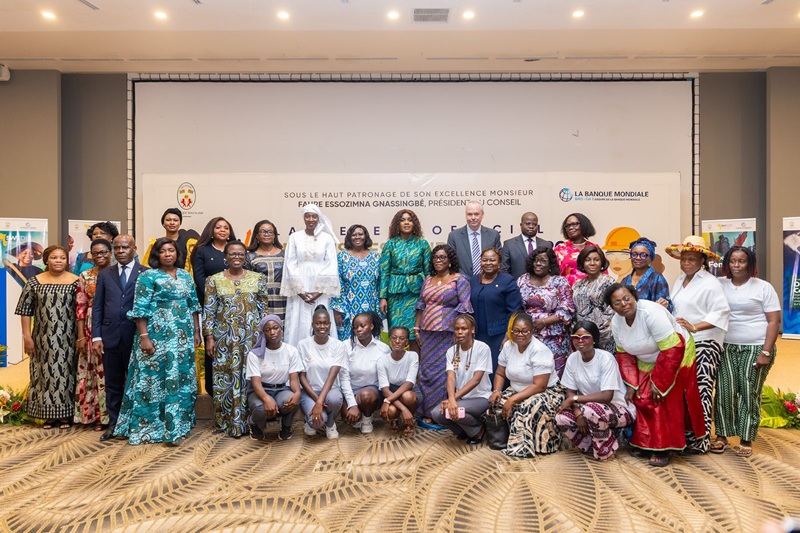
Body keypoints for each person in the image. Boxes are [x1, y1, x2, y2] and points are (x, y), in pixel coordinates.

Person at [606, 283, 706, 467]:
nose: (624, 304)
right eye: (617, 302)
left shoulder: (651, 313)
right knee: (640, 397)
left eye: (627, 298)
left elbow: (671, 349)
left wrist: (659, 383)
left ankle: (664, 448)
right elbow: (624, 355)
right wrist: (632, 384)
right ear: (612, 307)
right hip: (646, 357)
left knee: (663, 398)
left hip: (676, 351)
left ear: (635, 297)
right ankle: (646, 443)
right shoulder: (617, 322)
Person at [115, 237, 202, 445]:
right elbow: (140, 309)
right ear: (156, 255)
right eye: (162, 251)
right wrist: (144, 337)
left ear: (177, 253)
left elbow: (193, 305)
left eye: (171, 250)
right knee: (153, 381)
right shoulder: (148, 276)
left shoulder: (185, 275)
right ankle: (152, 428)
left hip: (182, 337)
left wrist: (197, 331)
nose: (167, 254)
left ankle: (178, 425)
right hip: (157, 336)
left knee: (180, 378)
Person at [665, 235, 730, 454]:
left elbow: (721, 312)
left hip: (706, 342)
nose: (686, 263)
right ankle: (689, 436)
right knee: (686, 391)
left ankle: (702, 441)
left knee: (702, 390)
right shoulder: (680, 280)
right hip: (685, 343)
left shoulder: (711, 283)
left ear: (702, 260)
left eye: (691, 259)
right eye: (684, 258)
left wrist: (695, 326)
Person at [712, 247, 780, 457]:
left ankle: (746, 438)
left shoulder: (763, 287)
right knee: (724, 391)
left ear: (749, 264)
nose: (737, 265)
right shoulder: (719, 284)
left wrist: (766, 352)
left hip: (756, 346)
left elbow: (774, 321)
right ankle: (722, 435)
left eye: (741, 261)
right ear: (727, 263)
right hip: (726, 346)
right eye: (732, 261)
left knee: (749, 392)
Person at [203, 240, 269, 438]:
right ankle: (229, 422)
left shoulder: (258, 279)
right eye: (232, 254)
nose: (237, 257)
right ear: (226, 257)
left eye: (241, 254)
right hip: (224, 339)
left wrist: (264, 337)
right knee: (226, 378)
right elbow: (209, 311)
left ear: (246, 257)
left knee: (251, 376)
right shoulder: (214, 280)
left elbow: (263, 310)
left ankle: (252, 421)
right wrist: (209, 337)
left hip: (251, 338)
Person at [15, 245, 79, 429]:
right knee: (44, 373)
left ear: (67, 261)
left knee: (68, 373)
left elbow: (82, 311)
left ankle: (66, 415)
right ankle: (48, 415)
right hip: (42, 338)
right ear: (46, 260)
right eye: (54, 257)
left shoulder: (76, 282)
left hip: (69, 337)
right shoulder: (34, 282)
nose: (58, 261)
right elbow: (25, 311)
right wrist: (27, 337)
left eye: (62, 258)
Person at [91, 234, 147, 441]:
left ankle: (136, 424)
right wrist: (96, 337)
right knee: (113, 383)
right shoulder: (105, 274)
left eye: (125, 247)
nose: (121, 251)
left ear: (134, 249)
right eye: (117, 248)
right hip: (110, 336)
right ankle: (114, 425)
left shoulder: (146, 273)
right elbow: (98, 307)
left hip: (136, 337)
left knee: (138, 383)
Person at [555, 321, 636, 461]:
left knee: (590, 410)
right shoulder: (573, 358)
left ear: (594, 340)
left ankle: (607, 450)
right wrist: (578, 413)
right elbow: (570, 391)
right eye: (576, 337)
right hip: (588, 409)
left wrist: (575, 400)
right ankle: (590, 445)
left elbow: (607, 396)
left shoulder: (605, 358)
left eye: (585, 337)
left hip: (621, 409)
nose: (580, 341)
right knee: (561, 417)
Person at [488, 313, 566, 458]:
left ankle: (526, 447)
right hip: (518, 389)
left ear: (532, 331)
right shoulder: (508, 346)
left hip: (547, 392)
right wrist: (497, 390)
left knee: (526, 405)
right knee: (496, 402)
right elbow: (500, 373)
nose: (520, 334)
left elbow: (540, 386)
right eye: (516, 331)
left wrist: (513, 399)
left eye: (525, 331)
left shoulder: (539, 350)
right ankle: (504, 441)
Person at [414, 244, 473, 423]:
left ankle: (439, 413)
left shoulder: (459, 279)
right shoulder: (428, 279)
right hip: (427, 332)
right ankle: (426, 411)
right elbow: (421, 304)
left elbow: (465, 306)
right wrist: (417, 328)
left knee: (444, 372)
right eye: (435, 257)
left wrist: (458, 330)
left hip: (448, 332)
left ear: (450, 261)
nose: (438, 260)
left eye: (442, 257)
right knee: (426, 371)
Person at [281, 204, 341, 347]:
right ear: (303, 218)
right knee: (298, 319)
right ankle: (297, 354)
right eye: (307, 216)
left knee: (321, 318)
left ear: (319, 218)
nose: (311, 219)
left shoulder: (327, 238)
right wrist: (300, 291)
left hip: (320, 286)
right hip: (299, 285)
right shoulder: (295, 237)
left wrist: (319, 292)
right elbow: (290, 263)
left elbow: (331, 264)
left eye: (314, 216)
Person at [192, 216, 237, 396]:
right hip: (211, 305)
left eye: (226, 227)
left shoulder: (235, 249)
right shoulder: (202, 250)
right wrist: (217, 295)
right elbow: (199, 278)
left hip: (234, 305)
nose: (222, 230)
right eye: (218, 227)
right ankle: (213, 389)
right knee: (213, 344)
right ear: (211, 230)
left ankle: (233, 385)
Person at [430, 315, 493, 444]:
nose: (460, 332)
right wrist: (452, 399)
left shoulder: (482, 348)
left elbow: (476, 379)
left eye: (464, 328)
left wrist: (453, 399)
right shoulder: (451, 351)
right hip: (461, 399)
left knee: (454, 409)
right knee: (436, 414)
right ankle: (464, 431)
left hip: (481, 398)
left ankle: (479, 430)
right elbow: (451, 377)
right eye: (457, 329)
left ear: (472, 330)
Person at [517, 246, 575, 378]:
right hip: (527, 335)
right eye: (536, 260)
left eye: (543, 261)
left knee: (553, 375)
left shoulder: (559, 282)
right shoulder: (522, 280)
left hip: (554, 337)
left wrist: (544, 322)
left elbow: (568, 309)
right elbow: (516, 306)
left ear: (550, 264)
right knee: (529, 373)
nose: (538, 263)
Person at [379, 209, 430, 353]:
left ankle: (415, 365)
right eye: (402, 220)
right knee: (397, 333)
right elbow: (384, 272)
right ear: (397, 224)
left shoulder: (422, 244)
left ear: (415, 224)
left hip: (417, 294)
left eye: (410, 220)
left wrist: (428, 295)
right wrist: (383, 297)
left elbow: (428, 272)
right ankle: (396, 364)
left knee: (415, 332)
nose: (406, 223)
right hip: (396, 296)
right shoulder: (390, 244)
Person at [74, 238, 112, 429]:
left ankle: (113, 415)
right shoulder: (85, 275)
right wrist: (81, 335)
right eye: (96, 253)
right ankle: (96, 415)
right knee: (93, 369)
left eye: (104, 252)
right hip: (91, 326)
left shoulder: (118, 272)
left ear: (110, 253)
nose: (100, 256)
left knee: (112, 370)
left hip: (114, 324)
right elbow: (80, 307)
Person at [246, 315, 302, 441]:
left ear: (281, 329)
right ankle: (254, 423)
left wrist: (297, 393)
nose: (272, 332)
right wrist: (266, 398)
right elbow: (256, 383)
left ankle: (286, 426)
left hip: (282, 389)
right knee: (261, 407)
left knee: (293, 399)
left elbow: (293, 380)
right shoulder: (254, 355)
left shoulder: (291, 351)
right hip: (261, 390)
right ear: (263, 333)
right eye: (267, 330)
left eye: (275, 328)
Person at [469, 247, 522, 376]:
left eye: (492, 260)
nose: (488, 263)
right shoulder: (473, 280)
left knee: (495, 369)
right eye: (485, 260)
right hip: (477, 334)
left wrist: (508, 335)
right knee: (477, 369)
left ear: (499, 263)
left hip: (498, 335)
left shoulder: (507, 280)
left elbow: (514, 310)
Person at [297, 305, 348, 440]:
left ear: (330, 325)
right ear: (312, 325)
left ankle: (330, 424)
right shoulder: (303, 345)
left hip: (331, 390)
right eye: (318, 323)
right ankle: (310, 421)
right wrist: (316, 399)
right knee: (317, 422)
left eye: (325, 323)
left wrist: (320, 402)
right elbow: (302, 377)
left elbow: (332, 376)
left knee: (335, 399)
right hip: (309, 391)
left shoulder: (338, 345)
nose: (322, 326)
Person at [341, 312, 389, 434]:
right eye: (355, 327)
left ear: (371, 326)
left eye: (362, 326)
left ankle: (367, 418)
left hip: (372, 392)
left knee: (366, 396)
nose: (358, 330)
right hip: (352, 390)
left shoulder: (383, 348)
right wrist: (352, 404)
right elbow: (344, 378)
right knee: (347, 417)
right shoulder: (346, 346)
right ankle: (358, 412)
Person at [331, 224, 382, 339]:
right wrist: (338, 309)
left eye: (360, 234)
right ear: (349, 237)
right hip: (348, 308)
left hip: (371, 306)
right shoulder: (342, 257)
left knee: (370, 340)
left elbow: (380, 282)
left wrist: (382, 301)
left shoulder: (376, 257)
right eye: (354, 235)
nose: (357, 237)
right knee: (349, 341)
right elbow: (337, 283)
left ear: (366, 236)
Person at [378, 326, 422, 437]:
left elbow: (409, 383)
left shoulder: (412, 356)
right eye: (394, 338)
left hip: (410, 392)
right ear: (389, 340)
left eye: (401, 339)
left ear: (406, 342)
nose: (397, 341)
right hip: (391, 393)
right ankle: (397, 418)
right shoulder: (382, 360)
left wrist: (387, 401)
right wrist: (403, 409)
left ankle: (409, 422)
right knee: (391, 411)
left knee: (407, 396)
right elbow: (385, 390)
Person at [571, 246, 616, 352]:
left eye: (596, 260)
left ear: (602, 262)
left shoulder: (609, 282)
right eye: (587, 260)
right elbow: (574, 309)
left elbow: (613, 310)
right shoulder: (577, 284)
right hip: (581, 338)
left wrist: (595, 333)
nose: (592, 263)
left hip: (604, 336)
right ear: (582, 263)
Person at [446, 200, 502, 277]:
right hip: (462, 282)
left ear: (482, 215)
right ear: (465, 215)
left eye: (476, 214)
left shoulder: (493, 235)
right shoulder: (454, 236)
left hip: (489, 280)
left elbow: (499, 261)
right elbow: (451, 262)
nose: (473, 217)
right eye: (469, 214)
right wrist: (464, 280)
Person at [245, 219, 287, 321]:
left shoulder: (285, 254)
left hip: (283, 298)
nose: (267, 234)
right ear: (256, 235)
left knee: (282, 326)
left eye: (270, 232)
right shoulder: (249, 256)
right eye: (263, 232)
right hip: (260, 299)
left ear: (275, 235)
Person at [620, 237, 673, 312]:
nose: (638, 258)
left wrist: (665, 306)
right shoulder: (625, 280)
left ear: (651, 258)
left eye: (643, 255)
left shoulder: (657, 279)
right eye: (634, 254)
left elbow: (666, 309)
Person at [142, 208, 198, 277]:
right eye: (168, 220)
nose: (172, 223)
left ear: (180, 223)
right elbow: (147, 266)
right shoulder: (155, 243)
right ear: (163, 223)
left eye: (175, 220)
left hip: (182, 280)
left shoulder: (189, 243)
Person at [553, 213, 602, 286]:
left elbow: (603, 273)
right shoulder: (559, 249)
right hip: (566, 290)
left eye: (574, 224)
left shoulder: (594, 248)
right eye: (567, 226)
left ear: (583, 225)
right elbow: (553, 276)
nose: (570, 228)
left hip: (592, 290)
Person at [501, 212, 553, 279]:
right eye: (528, 224)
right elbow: (504, 270)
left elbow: (551, 268)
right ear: (521, 225)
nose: (531, 226)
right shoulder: (509, 244)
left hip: (542, 284)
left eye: (534, 224)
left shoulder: (546, 245)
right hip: (516, 284)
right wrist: (513, 284)